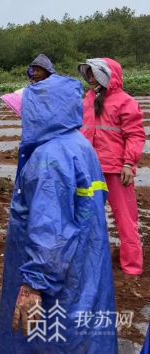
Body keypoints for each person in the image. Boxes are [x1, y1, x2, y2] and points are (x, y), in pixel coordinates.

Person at [0, 74, 117, 353]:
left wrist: (33, 286)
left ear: (43, 112)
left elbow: (51, 232)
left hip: (56, 281)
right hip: (83, 267)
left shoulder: (48, 158)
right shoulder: (80, 146)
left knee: (48, 341)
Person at [79, 58, 145, 278]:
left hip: (117, 170)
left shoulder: (125, 101)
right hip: (91, 169)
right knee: (89, 216)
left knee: (126, 220)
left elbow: (135, 135)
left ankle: (132, 268)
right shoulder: (88, 100)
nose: (90, 78)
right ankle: (91, 261)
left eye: (93, 74)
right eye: (88, 74)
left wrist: (128, 163)